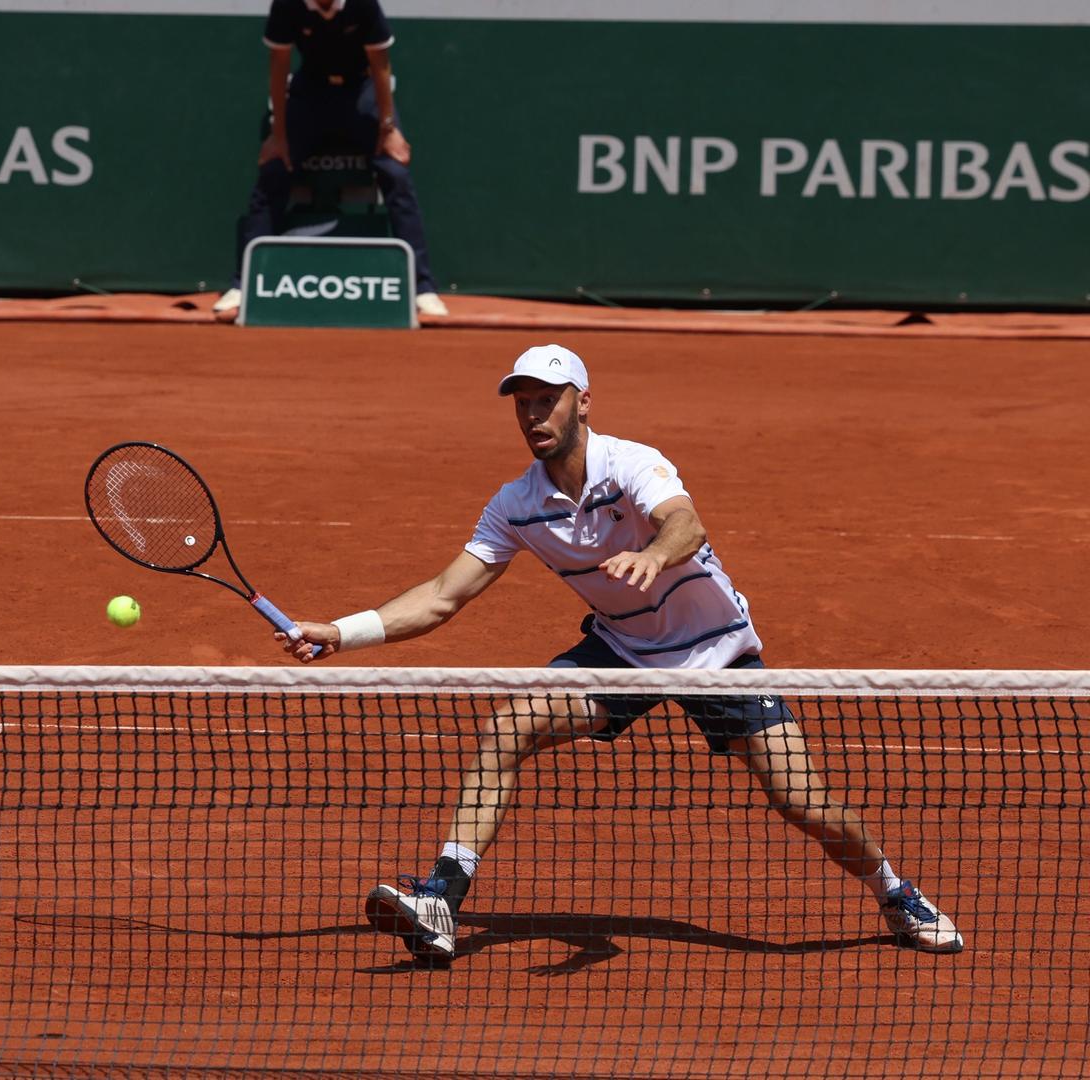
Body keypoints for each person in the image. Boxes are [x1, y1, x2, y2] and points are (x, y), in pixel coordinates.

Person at [277, 344, 963, 959]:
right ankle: (441, 898)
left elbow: (685, 525)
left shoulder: (633, 463)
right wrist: (342, 631)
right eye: (524, 405)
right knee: (511, 725)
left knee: (800, 799)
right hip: (622, 653)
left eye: (548, 400)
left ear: (583, 403)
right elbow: (441, 597)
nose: (534, 415)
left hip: (715, 654)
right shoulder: (516, 504)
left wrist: (651, 555)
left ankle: (895, 891)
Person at [213, 0, 447, 321]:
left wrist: (388, 127)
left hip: (361, 93)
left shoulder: (363, 4)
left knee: (395, 173)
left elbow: (380, 63)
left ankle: (422, 288)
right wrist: (278, 134)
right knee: (274, 170)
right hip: (309, 94)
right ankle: (244, 284)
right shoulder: (287, 4)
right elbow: (279, 65)